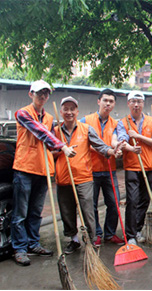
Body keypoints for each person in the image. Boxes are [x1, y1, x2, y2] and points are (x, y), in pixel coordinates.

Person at [11, 80, 76, 266]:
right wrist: (62, 145)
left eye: (46, 93)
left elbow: (50, 141)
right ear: (31, 93)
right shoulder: (23, 113)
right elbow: (40, 132)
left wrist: (62, 145)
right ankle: (20, 248)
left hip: (43, 169)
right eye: (39, 93)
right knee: (20, 212)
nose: (43, 96)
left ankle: (33, 243)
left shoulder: (49, 118)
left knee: (36, 211)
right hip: (24, 168)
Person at [54, 96, 121, 255]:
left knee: (88, 210)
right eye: (66, 109)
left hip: (83, 177)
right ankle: (74, 239)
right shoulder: (56, 131)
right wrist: (60, 151)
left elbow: (100, 145)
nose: (69, 112)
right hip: (63, 178)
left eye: (72, 109)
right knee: (67, 211)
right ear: (61, 112)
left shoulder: (85, 128)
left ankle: (91, 240)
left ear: (77, 111)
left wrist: (112, 151)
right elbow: (49, 151)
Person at [81, 89, 125, 247]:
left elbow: (116, 140)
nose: (108, 104)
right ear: (98, 101)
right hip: (90, 170)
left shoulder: (116, 123)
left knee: (114, 203)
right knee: (91, 205)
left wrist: (117, 150)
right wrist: (105, 150)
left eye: (111, 101)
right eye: (105, 100)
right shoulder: (85, 121)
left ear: (114, 105)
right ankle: (96, 234)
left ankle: (110, 233)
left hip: (109, 170)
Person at [117, 91, 152, 245]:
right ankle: (130, 235)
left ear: (143, 104)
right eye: (133, 101)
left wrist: (138, 137)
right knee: (132, 200)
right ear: (128, 104)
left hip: (148, 166)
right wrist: (131, 148)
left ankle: (137, 229)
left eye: (139, 101)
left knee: (145, 200)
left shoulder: (151, 121)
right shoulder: (123, 122)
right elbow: (122, 141)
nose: (136, 104)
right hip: (132, 167)